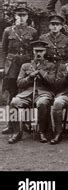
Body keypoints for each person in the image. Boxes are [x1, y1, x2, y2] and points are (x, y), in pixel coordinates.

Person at [8, 41, 56, 144]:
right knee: (14, 102)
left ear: (45, 52)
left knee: (42, 103)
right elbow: (19, 83)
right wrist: (30, 77)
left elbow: (53, 83)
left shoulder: (51, 66)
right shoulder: (25, 66)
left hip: (44, 93)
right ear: (33, 51)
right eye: (36, 51)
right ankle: (17, 132)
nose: (38, 53)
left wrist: (41, 73)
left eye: (41, 51)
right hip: (27, 93)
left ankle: (42, 132)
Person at [1, 7, 37, 135]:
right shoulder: (8, 31)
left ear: (27, 17)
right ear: (14, 16)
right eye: (18, 15)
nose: (21, 18)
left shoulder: (33, 32)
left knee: (26, 93)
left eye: (24, 15)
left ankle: (26, 123)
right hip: (11, 66)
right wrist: (2, 66)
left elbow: (35, 50)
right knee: (12, 94)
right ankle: (11, 125)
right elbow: (3, 50)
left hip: (26, 64)